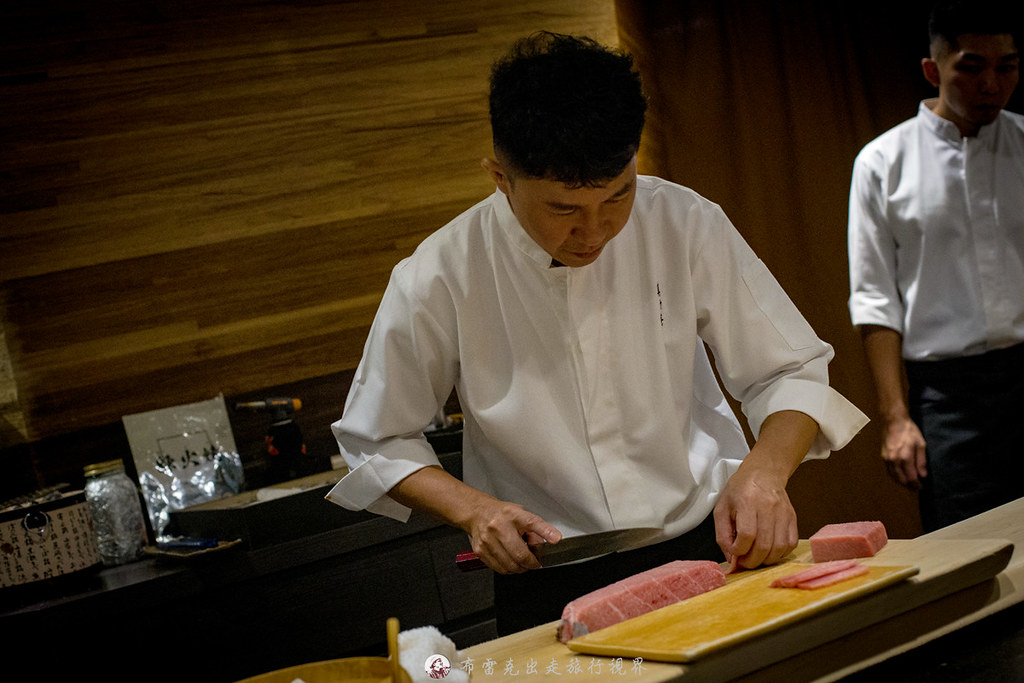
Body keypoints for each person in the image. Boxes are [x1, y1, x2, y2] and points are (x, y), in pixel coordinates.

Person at [329, 32, 867, 634]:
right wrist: (474, 511)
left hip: (703, 548)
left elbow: (789, 369)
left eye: (619, 196)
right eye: (563, 210)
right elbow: (377, 437)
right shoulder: (440, 273)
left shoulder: (683, 222)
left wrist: (764, 473)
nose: (596, 231)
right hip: (549, 576)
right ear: (500, 178)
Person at [848, 1, 1022, 532]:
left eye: (1007, 67)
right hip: (946, 396)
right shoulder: (882, 162)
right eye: (971, 68)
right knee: (970, 551)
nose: (991, 84)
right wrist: (896, 419)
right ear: (933, 69)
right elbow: (875, 299)